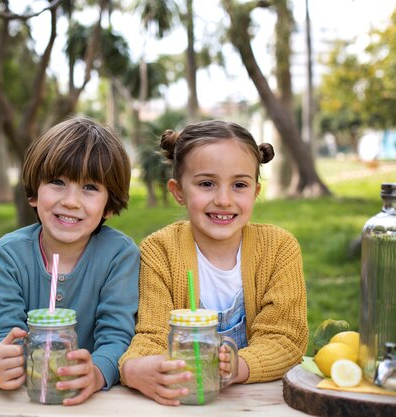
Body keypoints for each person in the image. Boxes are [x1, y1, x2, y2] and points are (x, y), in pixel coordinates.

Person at [119, 120, 308, 405]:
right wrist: (134, 367)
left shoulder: (279, 249)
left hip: (258, 402)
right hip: (184, 400)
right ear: (178, 191)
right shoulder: (160, 251)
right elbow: (152, 334)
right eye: (207, 184)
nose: (223, 199)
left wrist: (236, 367)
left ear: (255, 192)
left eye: (239, 185)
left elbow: (285, 338)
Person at [0, 116, 139, 406]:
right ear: (33, 193)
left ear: (109, 205)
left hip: (97, 403)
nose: (70, 201)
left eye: (90, 187)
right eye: (57, 182)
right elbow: (3, 333)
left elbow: (117, 336)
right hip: (27, 399)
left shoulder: (119, 255)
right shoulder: (7, 255)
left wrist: (96, 372)